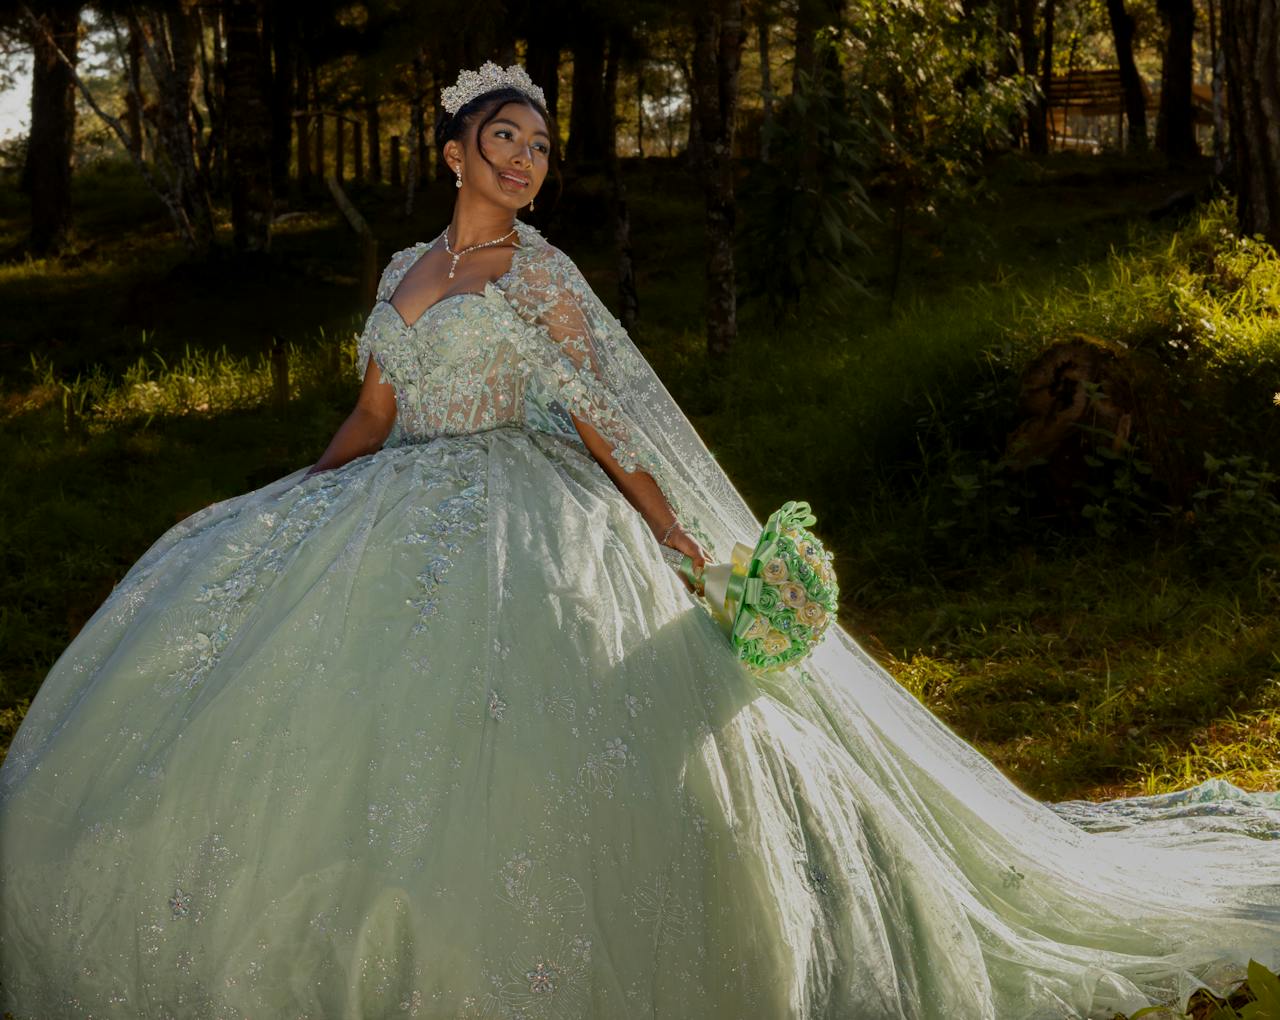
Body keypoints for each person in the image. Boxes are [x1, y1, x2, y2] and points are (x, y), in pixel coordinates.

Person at [2, 61, 1279, 1020]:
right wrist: (291, 492)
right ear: (451, 150)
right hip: (394, 494)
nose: (525, 158)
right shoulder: (400, 271)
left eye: (541, 144)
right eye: (502, 138)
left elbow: (609, 422)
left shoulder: (542, 275)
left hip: (524, 502)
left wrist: (678, 536)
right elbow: (375, 409)